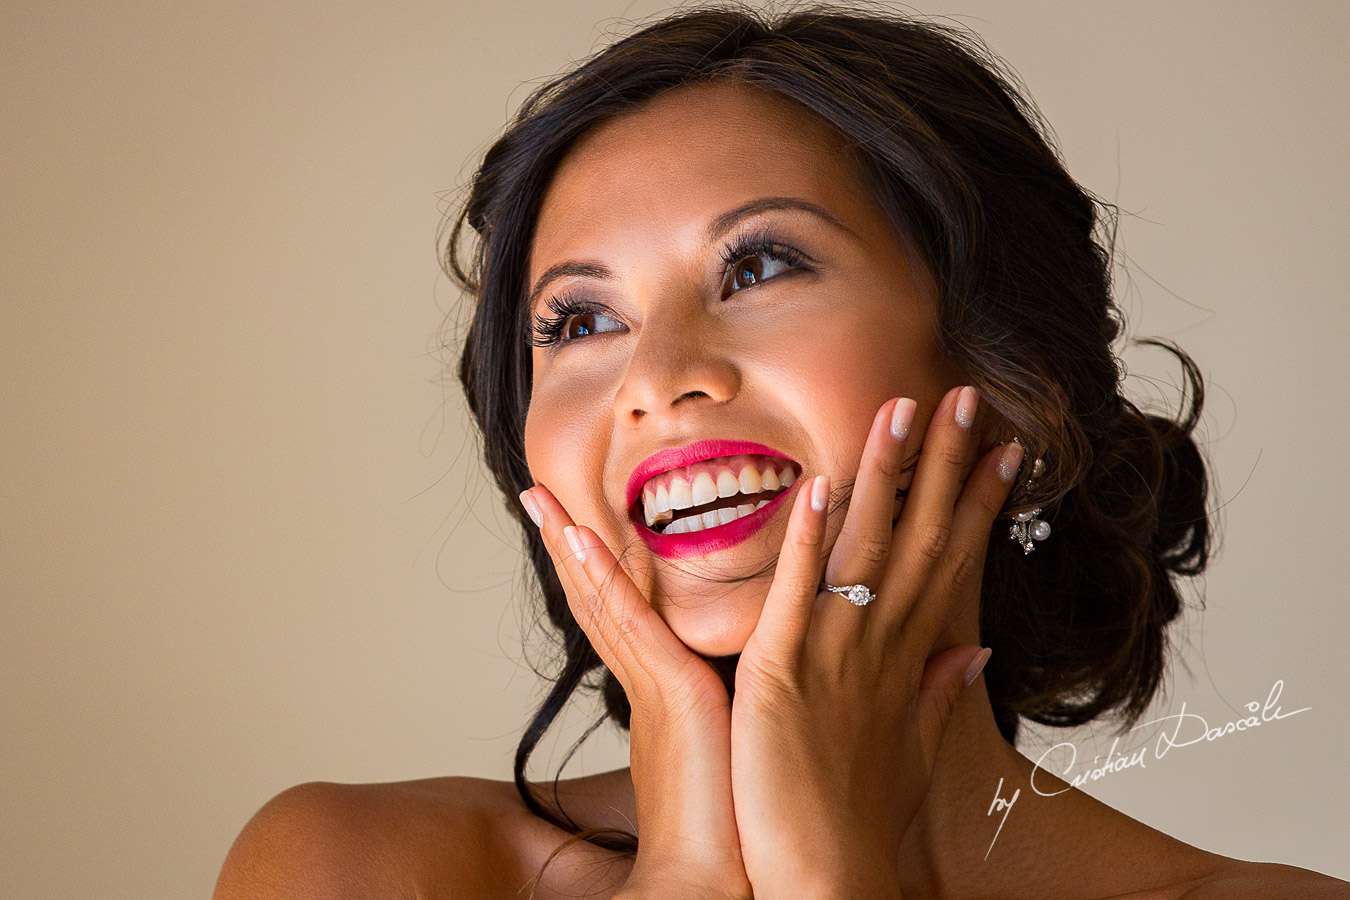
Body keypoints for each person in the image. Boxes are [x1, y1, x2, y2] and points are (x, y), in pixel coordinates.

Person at [212, 4, 1350, 898]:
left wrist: (828, 880)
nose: (657, 378)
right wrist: (686, 880)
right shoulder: (359, 869)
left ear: (1014, 390)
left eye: (759, 269)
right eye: (577, 321)